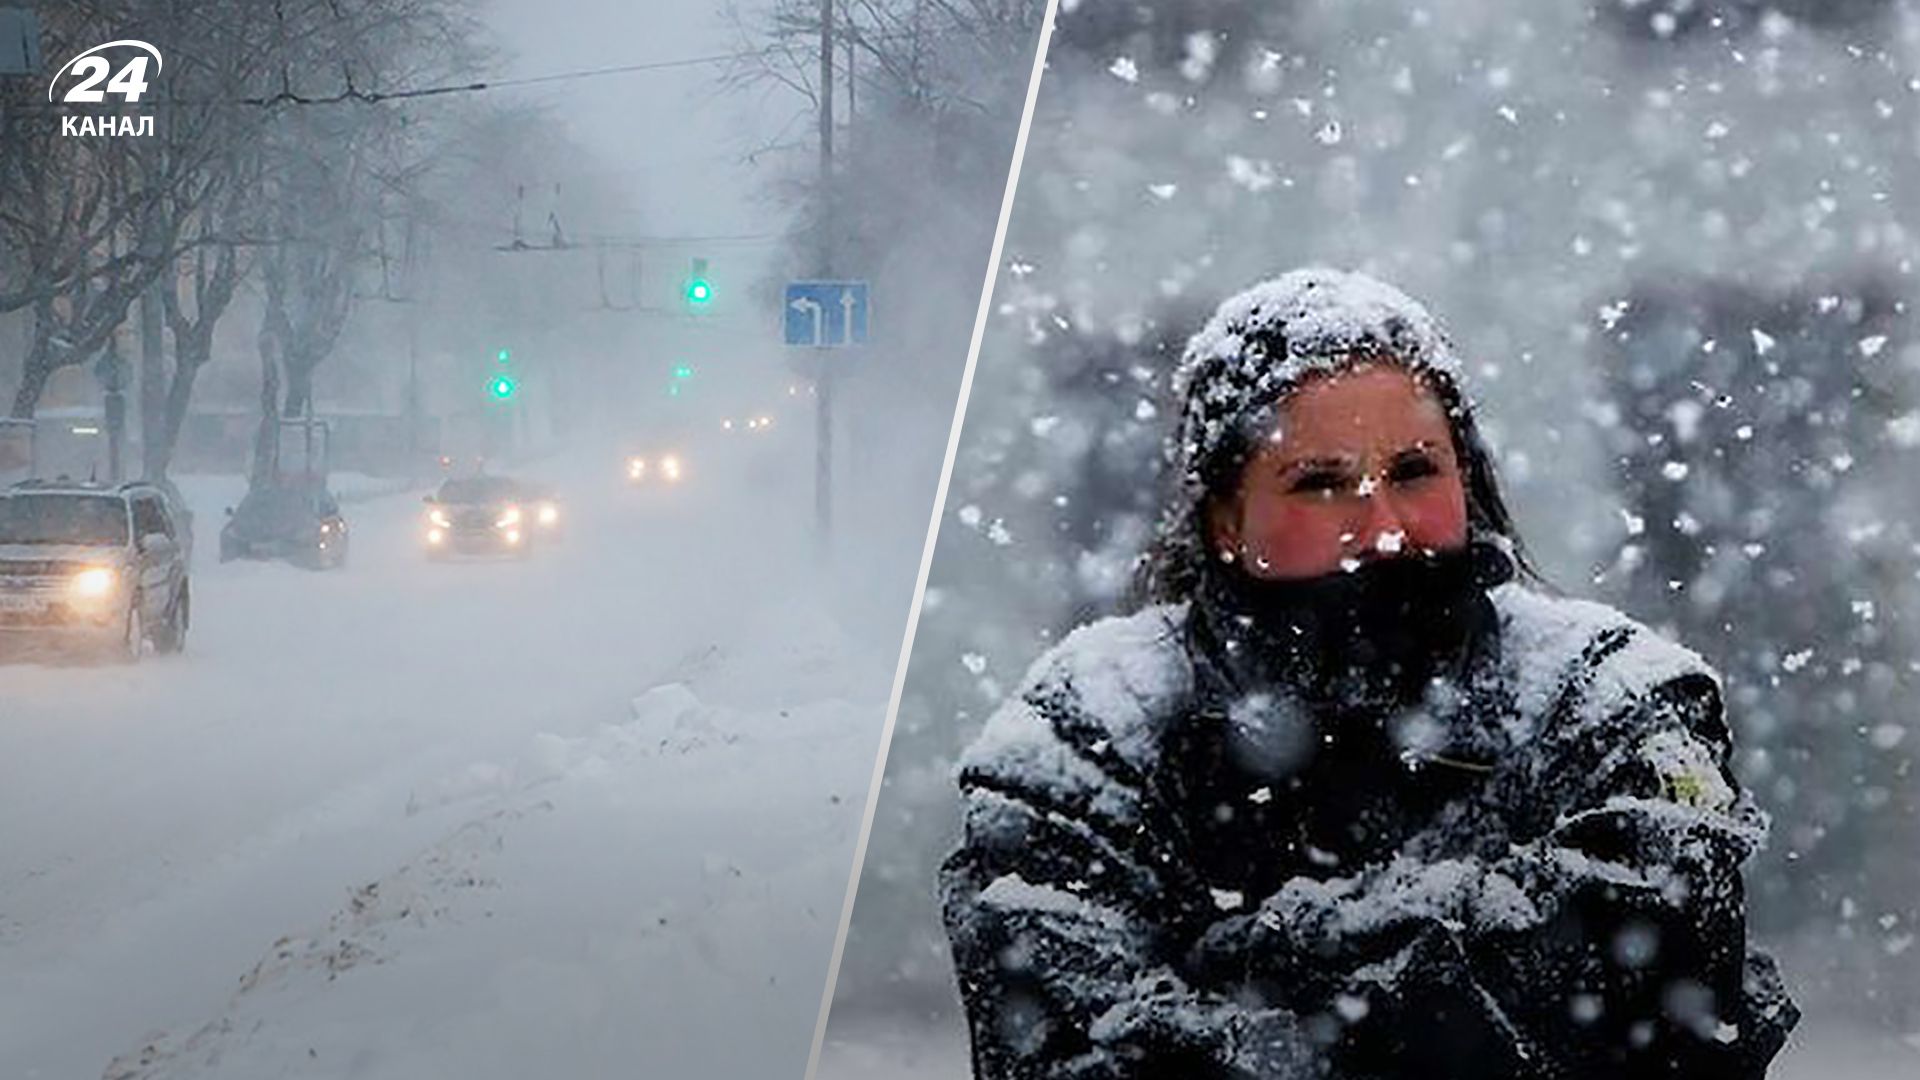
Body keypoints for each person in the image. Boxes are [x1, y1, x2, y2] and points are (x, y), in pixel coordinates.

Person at [940, 268, 1798, 1079]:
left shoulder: (1611, 698)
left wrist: (1249, 960)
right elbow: (1065, 1057)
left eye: (1416, 471)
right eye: (1321, 483)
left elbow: (1654, 1006)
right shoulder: (1085, 730)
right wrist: (1462, 975)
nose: (1384, 524)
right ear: (1226, 521)